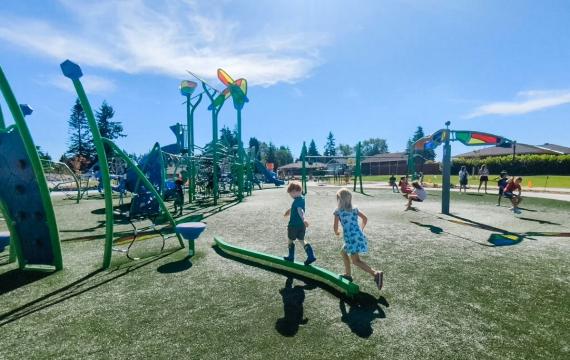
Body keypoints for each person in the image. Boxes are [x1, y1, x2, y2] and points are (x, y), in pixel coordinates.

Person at [333, 188, 383, 290]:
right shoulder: (355, 209)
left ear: (339, 200)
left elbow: (335, 226)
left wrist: (337, 232)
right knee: (343, 252)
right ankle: (348, 274)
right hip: (358, 235)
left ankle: (375, 273)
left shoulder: (338, 211)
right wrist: (361, 229)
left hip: (350, 238)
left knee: (356, 261)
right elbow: (365, 218)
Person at [283, 181, 316, 265]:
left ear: (295, 191)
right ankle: (311, 255)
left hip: (293, 225)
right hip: (301, 226)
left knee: (290, 240)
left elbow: (300, 210)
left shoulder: (296, 200)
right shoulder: (301, 198)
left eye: (291, 194)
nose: (290, 196)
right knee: (301, 240)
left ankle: (291, 256)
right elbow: (296, 207)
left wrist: (304, 218)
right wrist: (289, 211)